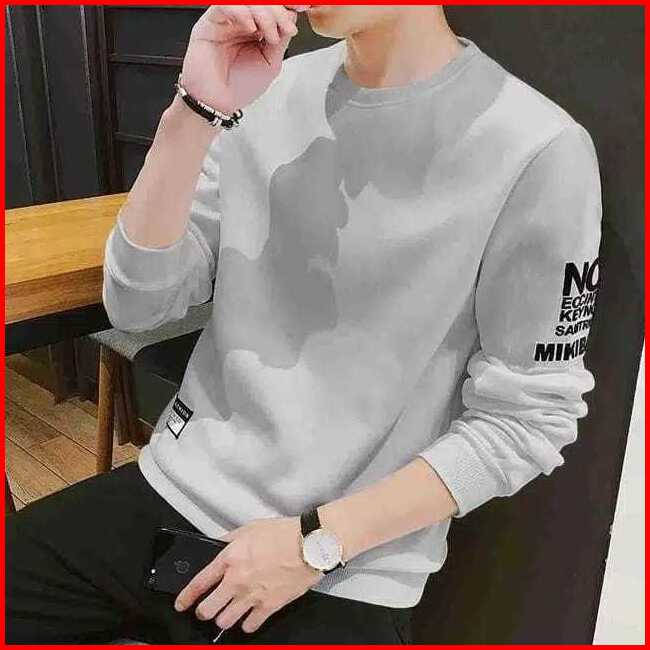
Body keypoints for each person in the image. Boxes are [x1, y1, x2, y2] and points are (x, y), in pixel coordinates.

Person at [6, 5, 602, 645]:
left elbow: (527, 420)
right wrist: (193, 111)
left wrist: (316, 543)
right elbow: (137, 305)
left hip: (345, 564)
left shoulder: (538, 148)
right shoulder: (264, 90)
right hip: (175, 489)